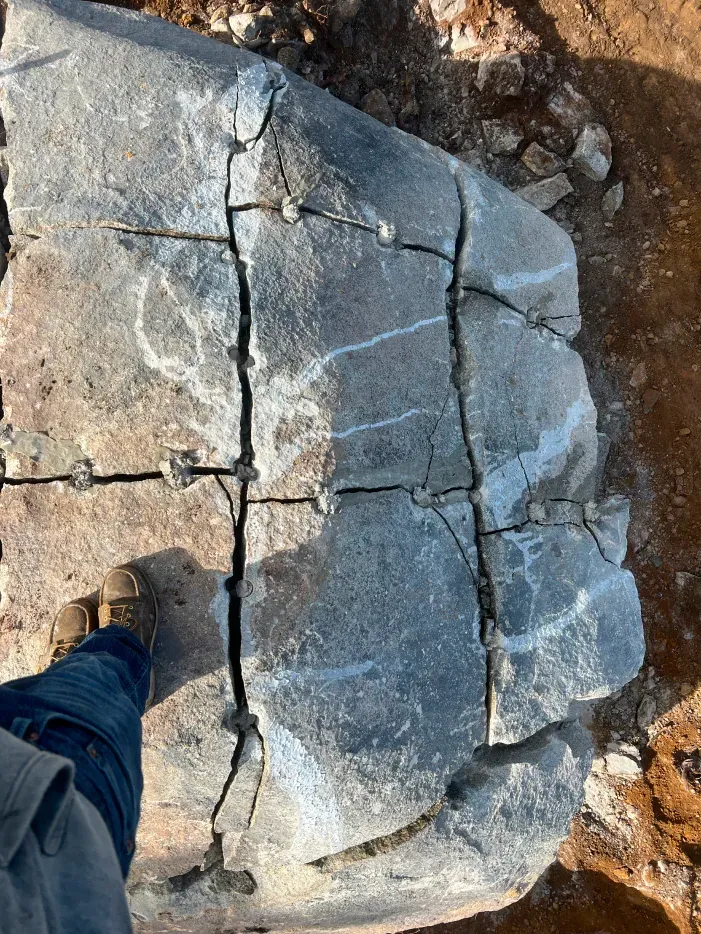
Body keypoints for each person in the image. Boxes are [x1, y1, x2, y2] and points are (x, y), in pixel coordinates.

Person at [0, 564, 159, 933]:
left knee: (33, 697)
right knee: (95, 687)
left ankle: (65, 675)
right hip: (53, 848)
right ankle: (115, 662)